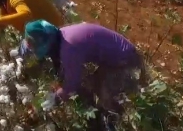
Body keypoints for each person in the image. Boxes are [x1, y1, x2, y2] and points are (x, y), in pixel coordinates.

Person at [20, 20, 148, 113]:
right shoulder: (61, 35)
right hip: (117, 58)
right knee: (91, 83)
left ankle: (118, 119)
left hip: (126, 61)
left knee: (105, 93)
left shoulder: (69, 49)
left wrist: (56, 98)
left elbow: (73, 83)